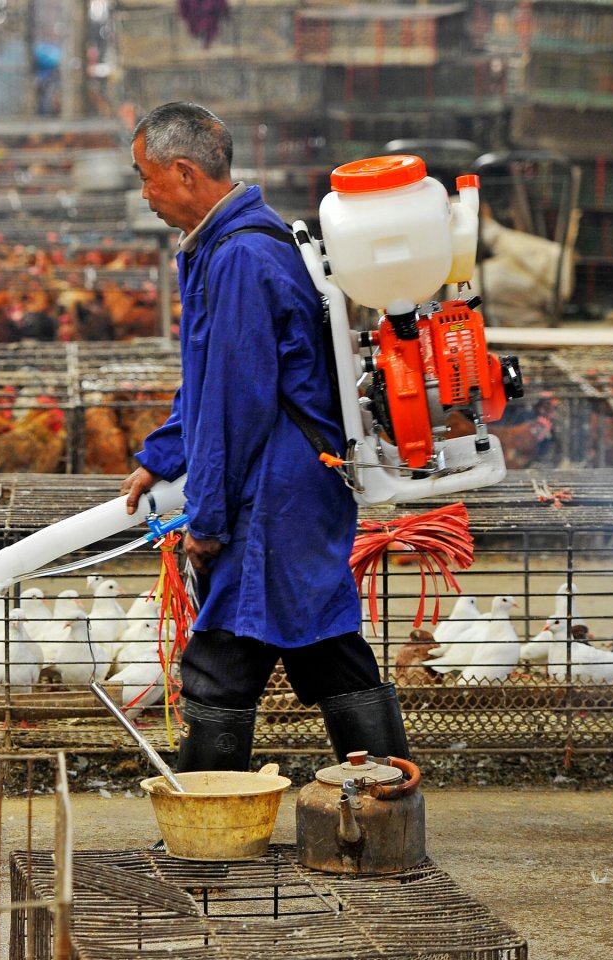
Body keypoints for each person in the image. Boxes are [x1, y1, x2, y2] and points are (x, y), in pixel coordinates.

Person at [121, 101, 410, 772]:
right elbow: (210, 374)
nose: (145, 195)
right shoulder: (233, 245)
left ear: (185, 172)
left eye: (146, 177)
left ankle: (209, 829)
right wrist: (160, 458)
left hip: (273, 492)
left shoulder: (241, 257)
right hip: (294, 482)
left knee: (224, 655)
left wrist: (210, 519)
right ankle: (387, 800)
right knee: (323, 642)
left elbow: (233, 402)